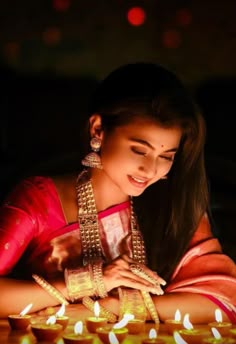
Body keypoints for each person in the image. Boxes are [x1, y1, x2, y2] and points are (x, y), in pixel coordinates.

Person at [0, 62, 236, 324]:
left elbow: (223, 301)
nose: (150, 169)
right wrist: (90, 280)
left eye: (166, 156)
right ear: (98, 129)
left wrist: (114, 307)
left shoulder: (171, 205)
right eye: (139, 150)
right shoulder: (38, 201)